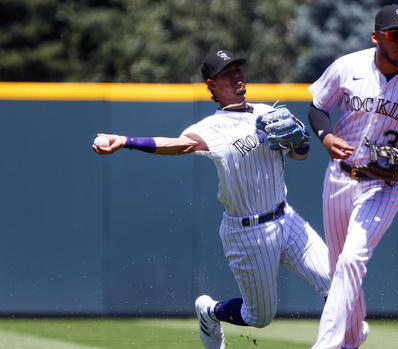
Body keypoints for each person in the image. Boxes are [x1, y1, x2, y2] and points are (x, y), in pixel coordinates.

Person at [92, 49, 330, 349]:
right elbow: (178, 145)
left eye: (237, 69)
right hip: (247, 233)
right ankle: (210, 311)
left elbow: (299, 155)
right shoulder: (210, 128)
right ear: (212, 84)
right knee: (259, 317)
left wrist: (301, 140)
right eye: (226, 73)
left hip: (286, 218)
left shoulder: (266, 113)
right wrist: (127, 141)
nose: (236, 75)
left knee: (337, 283)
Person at [306, 4, 398, 349]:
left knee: (351, 259)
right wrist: (326, 137)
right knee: (339, 270)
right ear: (377, 37)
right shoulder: (348, 67)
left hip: (384, 185)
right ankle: (354, 335)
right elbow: (317, 106)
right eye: (395, 36)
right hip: (339, 178)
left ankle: (327, 345)